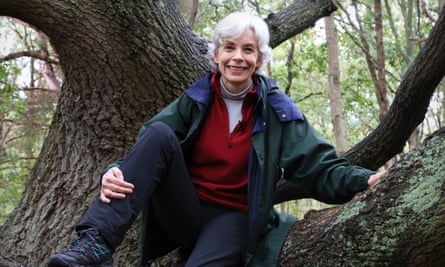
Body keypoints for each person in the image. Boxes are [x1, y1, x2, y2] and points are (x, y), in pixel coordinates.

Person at [48, 11, 385, 267]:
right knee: (160, 132)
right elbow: (149, 146)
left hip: (234, 217)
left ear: (260, 59)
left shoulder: (278, 111)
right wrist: (116, 169)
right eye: (230, 48)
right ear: (216, 55)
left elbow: (319, 166)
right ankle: (95, 243)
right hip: (186, 210)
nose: (238, 57)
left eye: (248, 50)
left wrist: (365, 179)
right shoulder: (195, 99)